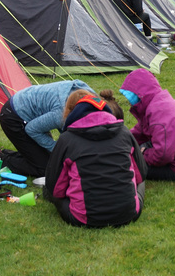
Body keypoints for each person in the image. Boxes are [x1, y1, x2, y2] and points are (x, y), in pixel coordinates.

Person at [43, 91, 147, 228]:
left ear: (70, 113)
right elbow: (141, 174)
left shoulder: (66, 140)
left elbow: (55, 187)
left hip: (84, 218)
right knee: (141, 183)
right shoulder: (124, 132)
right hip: (128, 214)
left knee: (52, 192)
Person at [0, 80, 95, 177]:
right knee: (44, 167)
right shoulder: (60, 115)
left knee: (49, 159)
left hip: (30, 112)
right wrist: (57, 149)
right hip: (14, 118)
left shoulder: (91, 97)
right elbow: (32, 129)